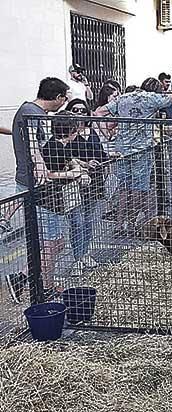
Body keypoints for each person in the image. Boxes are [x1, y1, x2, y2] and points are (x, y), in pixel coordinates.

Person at [94, 77, 172, 236]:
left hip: (122, 149)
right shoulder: (152, 98)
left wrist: (108, 133)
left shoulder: (123, 98)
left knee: (124, 188)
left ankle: (119, 224)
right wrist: (165, 93)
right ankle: (132, 223)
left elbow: (98, 112)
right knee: (139, 189)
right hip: (142, 151)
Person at [7, 78, 70, 302]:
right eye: (64, 97)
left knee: (54, 241)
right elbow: (33, 143)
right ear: (57, 98)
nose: (65, 102)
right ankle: (38, 284)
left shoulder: (28, 111)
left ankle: (27, 278)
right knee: (51, 242)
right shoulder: (32, 113)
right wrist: (41, 167)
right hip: (37, 184)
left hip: (33, 182)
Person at [40, 112, 92, 286]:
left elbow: (70, 160)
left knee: (70, 230)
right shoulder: (52, 147)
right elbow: (48, 174)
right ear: (71, 130)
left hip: (67, 194)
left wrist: (80, 168)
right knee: (55, 242)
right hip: (52, 199)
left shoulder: (63, 145)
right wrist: (72, 174)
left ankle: (78, 259)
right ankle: (36, 279)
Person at [66, 100, 109, 274]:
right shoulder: (66, 134)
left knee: (89, 220)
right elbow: (65, 158)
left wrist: (108, 157)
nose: (79, 113)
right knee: (77, 221)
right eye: (75, 110)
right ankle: (77, 258)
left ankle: (85, 254)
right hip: (74, 183)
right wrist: (85, 164)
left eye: (82, 110)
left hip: (94, 182)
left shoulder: (92, 132)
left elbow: (99, 153)